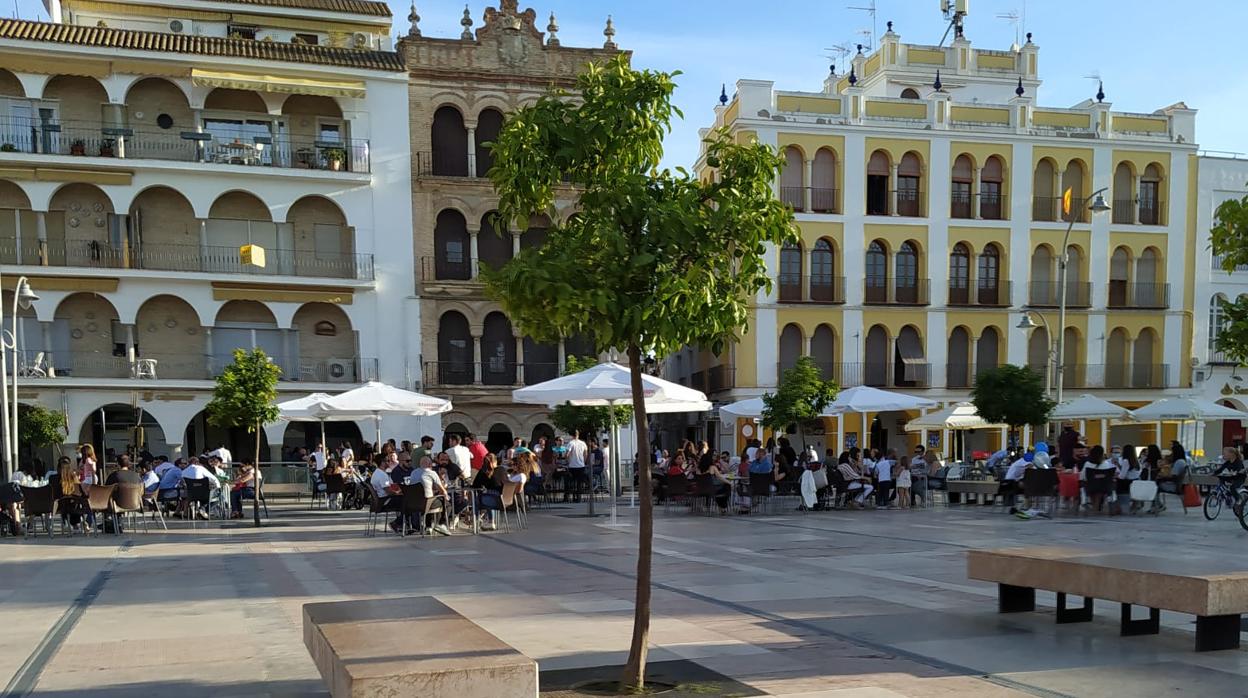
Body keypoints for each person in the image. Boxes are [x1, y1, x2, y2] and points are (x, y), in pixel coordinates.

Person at [412, 456, 451, 535]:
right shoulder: (431, 473)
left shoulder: (413, 472)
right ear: (430, 464)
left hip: (414, 504)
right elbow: (442, 490)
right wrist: (447, 496)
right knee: (446, 503)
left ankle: (428, 526)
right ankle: (440, 524)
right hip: (427, 503)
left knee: (431, 497)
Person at [50, 456, 88, 532]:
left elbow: (51, 492)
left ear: (58, 468)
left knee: (64, 502)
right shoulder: (74, 478)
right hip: (74, 505)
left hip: (59, 505)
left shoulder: (53, 478)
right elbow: (82, 493)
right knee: (73, 502)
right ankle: (77, 523)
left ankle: (68, 523)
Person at [1114, 444, 1141, 514]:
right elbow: (1129, 471)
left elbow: (1122, 476)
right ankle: (1134, 505)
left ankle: (1117, 507)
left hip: (1127, 482)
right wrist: (1118, 465)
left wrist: (1115, 476)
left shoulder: (1126, 460)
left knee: (1114, 486)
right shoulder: (1136, 460)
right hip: (1136, 481)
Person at [565, 430, 589, 503]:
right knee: (579, 482)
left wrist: (567, 462)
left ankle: (571, 497)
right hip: (581, 465)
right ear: (578, 435)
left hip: (572, 466)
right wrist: (583, 462)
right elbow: (585, 453)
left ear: (572, 436)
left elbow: (567, 454)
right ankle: (578, 498)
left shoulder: (570, 443)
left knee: (571, 482)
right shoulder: (583, 443)